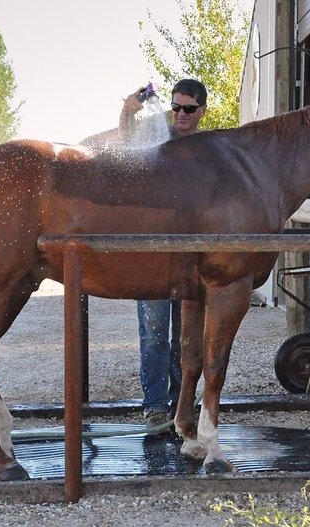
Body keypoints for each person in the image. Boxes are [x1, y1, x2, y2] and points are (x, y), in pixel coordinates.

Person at [118, 79, 209, 428]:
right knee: (154, 332)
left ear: (202, 111)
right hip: (155, 253)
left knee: (187, 335)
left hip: (192, 255)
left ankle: (182, 402)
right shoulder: (157, 136)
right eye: (175, 107)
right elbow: (127, 145)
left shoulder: (208, 148)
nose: (180, 114)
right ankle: (155, 405)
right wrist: (128, 111)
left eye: (188, 108)